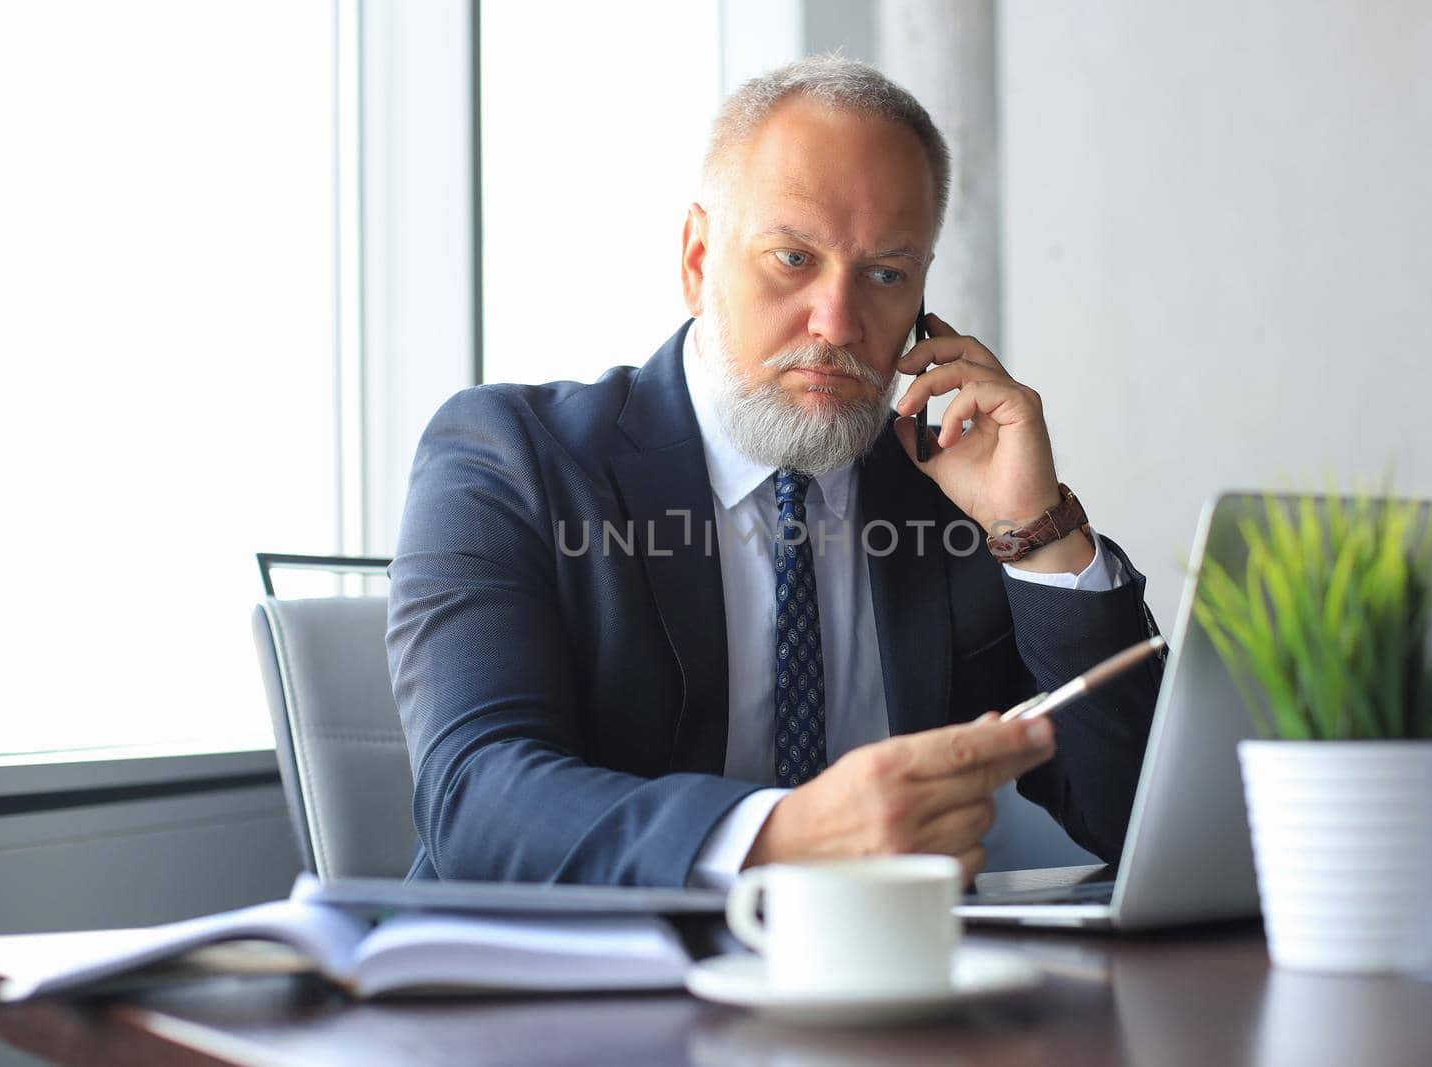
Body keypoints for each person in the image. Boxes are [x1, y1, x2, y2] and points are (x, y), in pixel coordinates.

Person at [386, 56, 1164, 888]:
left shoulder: (948, 494)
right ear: (697, 260)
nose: (836, 322)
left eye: (885, 274)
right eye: (793, 259)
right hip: (574, 996)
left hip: (882, 998)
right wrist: (782, 835)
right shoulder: (510, 458)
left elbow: (1139, 814)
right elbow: (475, 798)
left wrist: (1036, 531)